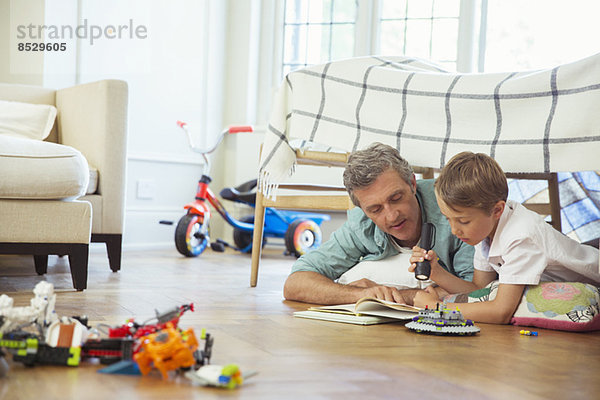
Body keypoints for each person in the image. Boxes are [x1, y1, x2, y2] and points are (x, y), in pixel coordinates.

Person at [409, 151, 600, 324]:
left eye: (463, 221)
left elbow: (501, 312)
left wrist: (436, 308)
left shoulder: (520, 236)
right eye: (448, 219)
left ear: (497, 210)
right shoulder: (485, 229)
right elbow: (479, 287)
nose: (454, 230)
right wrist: (436, 273)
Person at [283, 143, 475, 305]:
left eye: (396, 198)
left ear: (412, 184)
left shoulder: (454, 209)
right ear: (363, 209)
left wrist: (398, 296)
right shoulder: (361, 223)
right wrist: (360, 295)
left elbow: (477, 290)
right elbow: (296, 283)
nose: (392, 216)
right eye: (375, 209)